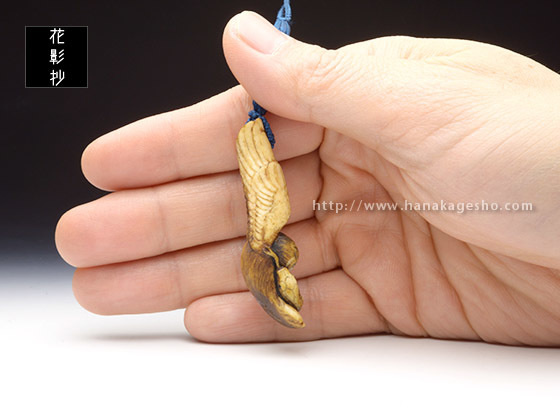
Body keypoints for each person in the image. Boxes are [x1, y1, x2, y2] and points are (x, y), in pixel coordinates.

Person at [55, 11, 560, 345]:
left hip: (268, 209)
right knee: (262, 210)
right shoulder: (268, 227)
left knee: (263, 213)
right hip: (265, 207)